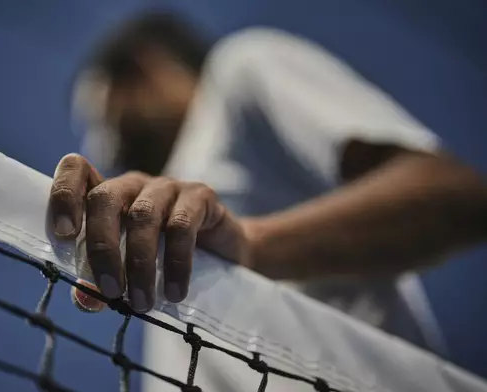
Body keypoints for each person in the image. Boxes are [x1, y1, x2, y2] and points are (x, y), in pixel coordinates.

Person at [53, 11, 487, 390]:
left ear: (148, 68)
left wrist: (250, 246)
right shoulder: (154, 278)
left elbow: (455, 196)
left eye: (102, 115)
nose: (103, 148)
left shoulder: (237, 76)